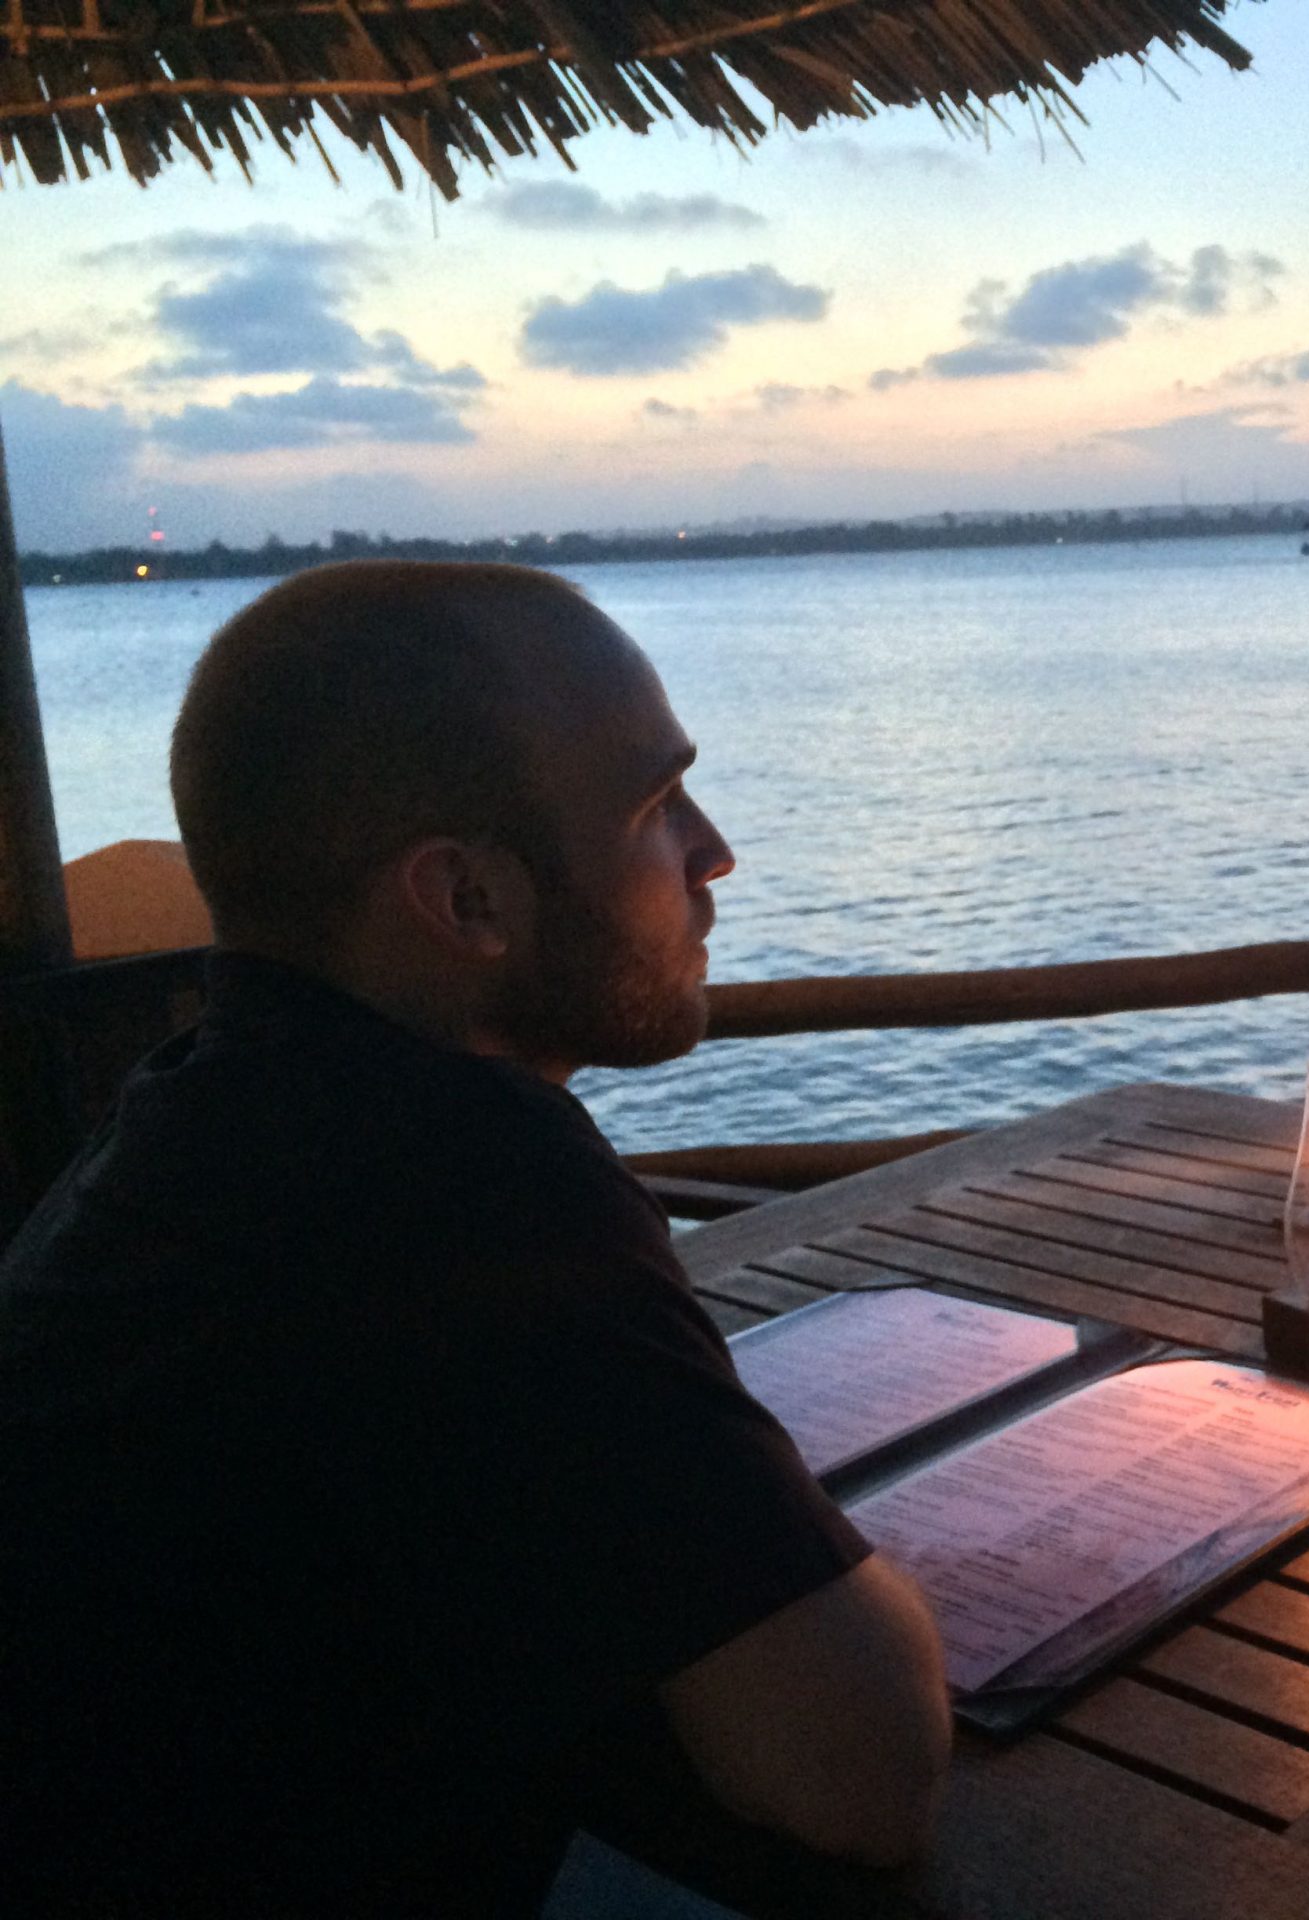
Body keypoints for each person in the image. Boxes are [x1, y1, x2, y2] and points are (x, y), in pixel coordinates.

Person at [0, 563, 950, 1916]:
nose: (714, 848)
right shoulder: (450, 1170)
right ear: (467, 901)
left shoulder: (221, 1111)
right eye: (652, 803)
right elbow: (861, 1779)